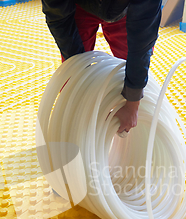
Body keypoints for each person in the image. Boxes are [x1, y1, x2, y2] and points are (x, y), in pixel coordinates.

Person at [41, 0, 161, 137]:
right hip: (78, 5)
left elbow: (143, 36)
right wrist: (78, 73)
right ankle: (77, 135)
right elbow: (58, 16)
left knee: (135, 73)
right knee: (73, 81)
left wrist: (132, 104)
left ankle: (140, 134)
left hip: (125, 7)